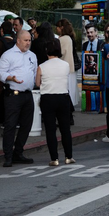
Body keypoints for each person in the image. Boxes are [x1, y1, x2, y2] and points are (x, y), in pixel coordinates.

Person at [0, 30, 38, 167]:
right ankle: (8, 156)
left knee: (27, 125)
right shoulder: (8, 55)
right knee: (10, 125)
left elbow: (34, 71)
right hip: (13, 94)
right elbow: (0, 72)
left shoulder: (32, 55)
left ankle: (18, 152)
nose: (28, 43)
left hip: (27, 94)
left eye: (29, 40)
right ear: (18, 40)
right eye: (25, 40)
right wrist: (10, 78)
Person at [36, 39, 75, 167]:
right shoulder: (65, 65)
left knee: (50, 129)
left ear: (46, 51)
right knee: (65, 129)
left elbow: (37, 83)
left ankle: (54, 158)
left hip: (48, 98)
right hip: (63, 97)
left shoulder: (42, 66)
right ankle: (69, 156)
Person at [55, 19, 78, 109]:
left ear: (61, 28)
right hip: (70, 67)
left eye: (57, 27)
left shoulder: (63, 39)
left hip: (63, 67)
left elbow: (60, 52)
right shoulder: (70, 38)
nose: (56, 29)